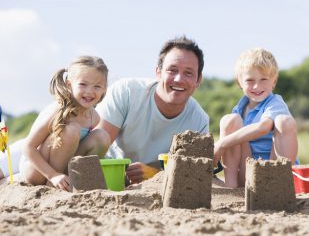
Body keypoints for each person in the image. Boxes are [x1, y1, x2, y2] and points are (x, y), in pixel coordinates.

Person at [82, 36, 209, 185]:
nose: (179, 79)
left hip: (157, 185)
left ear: (198, 80)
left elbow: (191, 176)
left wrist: (155, 175)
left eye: (188, 73)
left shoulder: (199, 120)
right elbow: (95, 146)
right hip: (108, 175)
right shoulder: (126, 92)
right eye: (172, 70)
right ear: (158, 72)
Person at [19, 56, 109, 191]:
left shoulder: (94, 117)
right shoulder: (59, 110)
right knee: (71, 130)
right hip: (38, 170)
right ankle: (54, 186)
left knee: (102, 136)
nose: (89, 91)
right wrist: (53, 175)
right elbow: (27, 147)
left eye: (97, 86)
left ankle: (78, 181)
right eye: (83, 84)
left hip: (64, 169)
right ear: (69, 85)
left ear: (104, 89)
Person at [213, 48, 298, 188]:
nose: (257, 86)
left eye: (264, 79)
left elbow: (263, 127)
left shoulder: (275, 103)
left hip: (272, 169)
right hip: (248, 173)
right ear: (239, 83)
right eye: (250, 80)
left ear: (274, 81)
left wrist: (222, 143)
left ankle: (279, 185)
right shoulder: (240, 108)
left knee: (284, 121)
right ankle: (231, 187)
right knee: (230, 120)